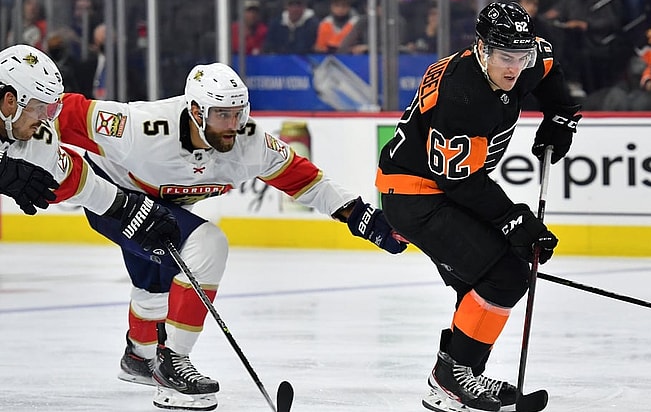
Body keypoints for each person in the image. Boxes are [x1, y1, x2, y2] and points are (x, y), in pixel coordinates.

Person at [55, 62, 408, 411]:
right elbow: (62, 111)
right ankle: (172, 362)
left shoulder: (250, 143)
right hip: (115, 199)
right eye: (222, 115)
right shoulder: (140, 128)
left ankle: (139, 356)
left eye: (239, 113)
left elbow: (305, 180)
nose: (233, 125)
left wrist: (360, 216)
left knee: (156, 284)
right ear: (195, 111)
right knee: (207, 244)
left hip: (165, 205)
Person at [375, 2, 581, 412]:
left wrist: (561, 115)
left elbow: (549, 64)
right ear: (482, 48)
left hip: (448, 186)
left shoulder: (526, 57)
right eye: (505, 57)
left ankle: (462, 372)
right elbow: (459, 179)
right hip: (417, 195)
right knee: (505, 275)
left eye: (521, 57)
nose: (515, 68)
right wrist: (513, 219)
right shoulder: (462, 93)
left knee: (479, 283)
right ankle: (451, 376)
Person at [0, 44, 180, 250]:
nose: (45, 119)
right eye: (40, 108)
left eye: (50, 110)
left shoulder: (40, 141)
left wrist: (128, 207)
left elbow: (78, 182)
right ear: (10, 101)